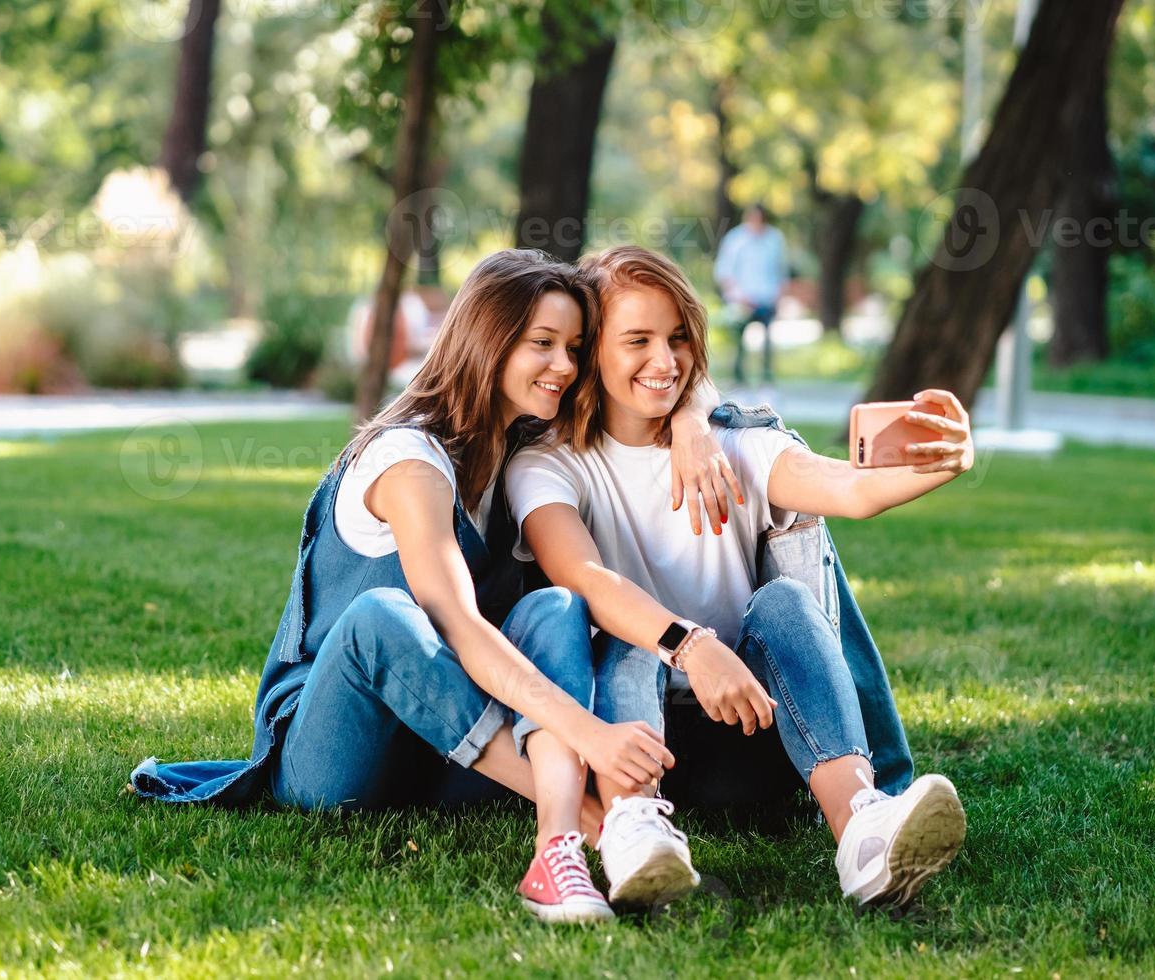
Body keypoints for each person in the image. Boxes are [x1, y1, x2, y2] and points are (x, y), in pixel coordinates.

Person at [129, 249, 738, 924]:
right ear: (488, 339)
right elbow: (455, 620)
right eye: (542, 344)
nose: (564, 366)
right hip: (337, 763)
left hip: (447, 758)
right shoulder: (408, 460)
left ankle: (553, 852)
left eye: (572, 347)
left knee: (557, 605)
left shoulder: (517, 457)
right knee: (382, 618)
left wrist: (691, 422)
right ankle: (595, 828)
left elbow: (659, 380)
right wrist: (591, 735)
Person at [507, 245, 971, 907]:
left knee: (783, 601)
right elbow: (578, 572)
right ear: (591, 353)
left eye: (678, 339)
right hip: (638, 745)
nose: (664, 362)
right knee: (621, 628)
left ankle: (861, 830)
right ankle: (633, 831)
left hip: (758, 732)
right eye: (637, 340)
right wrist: (693, 646)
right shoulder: (551, 464)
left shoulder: (735, 444)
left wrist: (942, 460)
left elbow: (850, 488)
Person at [713, 204, 787, 384]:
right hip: (742, 299)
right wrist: (737, 295)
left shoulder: (774, 239)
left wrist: (778, 296)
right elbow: (724, 271)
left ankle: (766, 377)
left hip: (766, 298)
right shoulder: (736, 239)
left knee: (767, 340)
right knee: (740, 341)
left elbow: (781, 270)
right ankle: (739, 377)